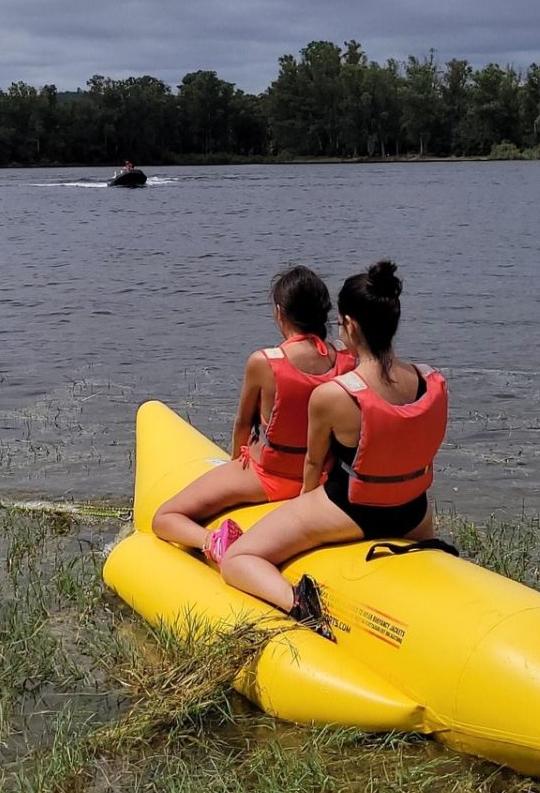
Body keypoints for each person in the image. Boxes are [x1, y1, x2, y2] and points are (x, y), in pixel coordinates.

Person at [218, 261, 447, 635]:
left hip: (353, 512)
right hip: (414, 512)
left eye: (340, 324)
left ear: (351, 326)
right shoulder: (430, 380)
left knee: (237, 558)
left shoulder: (335, 395)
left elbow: (313, 465)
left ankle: (298, 603)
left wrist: (299, 511)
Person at [150, 266, 356, 561]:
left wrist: (234, 467)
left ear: (279, 313)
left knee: (165, 517)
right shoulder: (347, 359)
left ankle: (212, 541)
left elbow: (243, 423)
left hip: (268, 476)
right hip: (322, 477)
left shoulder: (265, 362)